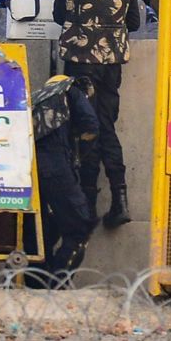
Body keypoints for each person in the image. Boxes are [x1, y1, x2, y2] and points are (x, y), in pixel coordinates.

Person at [54, 0, 141, 229]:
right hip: (111, 66)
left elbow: (59, 16)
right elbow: (134, 22)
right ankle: (120, 200)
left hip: (80, 64)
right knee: (106, 127)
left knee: (84, 128)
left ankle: (88, 204)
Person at [29, 75, 100, 285]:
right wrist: (80, 155)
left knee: (39, 233)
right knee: (80, 227)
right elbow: (91, 127)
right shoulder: (72, 90)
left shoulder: (35, 99)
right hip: (57, 167)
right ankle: (57, 282)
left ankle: (35, 284)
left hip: (29, 171)